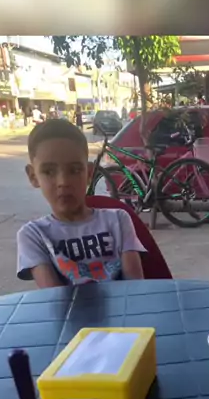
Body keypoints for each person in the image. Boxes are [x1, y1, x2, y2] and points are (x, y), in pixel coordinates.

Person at [16, 119, 145, 288]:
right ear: (33, 176)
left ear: (89, 173)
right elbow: (55, 297)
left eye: (75, 170)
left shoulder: (119, 220)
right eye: (49, 172)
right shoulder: (34, 235)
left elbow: (135, 288)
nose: (63, 182)